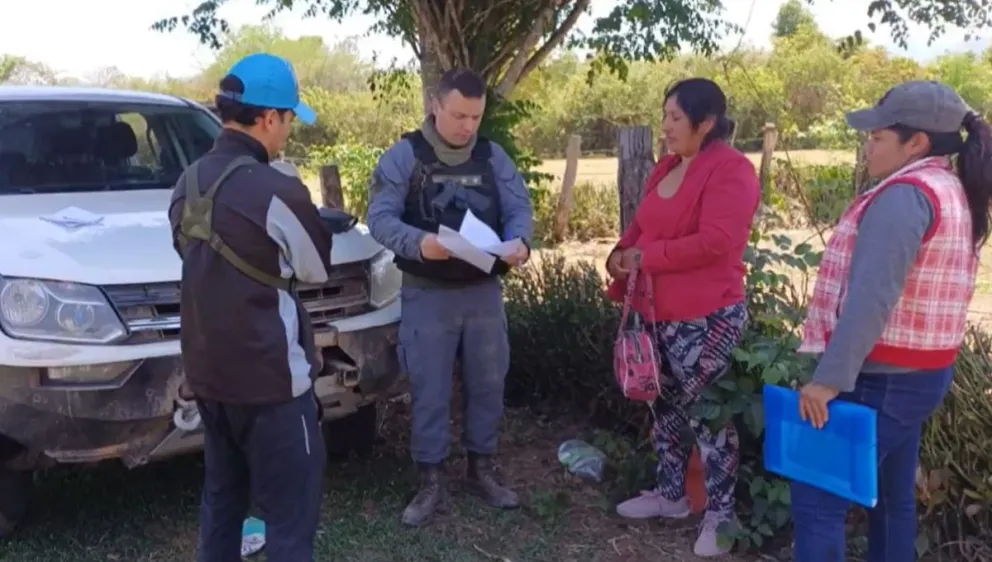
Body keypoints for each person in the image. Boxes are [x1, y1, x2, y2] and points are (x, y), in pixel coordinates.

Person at [791, 81, 990, 561]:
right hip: (921, 374)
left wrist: (828, 380)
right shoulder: (950, 188)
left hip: (882, 378)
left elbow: (871, 298)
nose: (868, 146)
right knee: (890, 499)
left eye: (878, 137)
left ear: (916, 142)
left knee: (818, 500)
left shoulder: (905, 196)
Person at [168, 53, 331, 562]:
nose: (288, 131)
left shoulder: (187, 182)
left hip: (210, 380)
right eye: (289, 120)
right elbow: (316, 267)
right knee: (289, 521)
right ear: (268, 118)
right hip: (272, 384)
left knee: (223, 504)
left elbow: (189, 255)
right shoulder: (276, 188)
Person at [366, 68, 534, 527]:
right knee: (429, 387)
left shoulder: (492, 156)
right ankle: (430, 480)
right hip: (428, 293)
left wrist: (520, 241)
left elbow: (519, 206)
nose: (468, 126)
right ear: (434, 105)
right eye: (459, 115)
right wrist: (419, 243)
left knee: (489, 382)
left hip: (483, 292)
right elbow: (379, 217)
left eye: (476, 117)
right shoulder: (404, 157)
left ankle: (483, 468)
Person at [606, 78, 760, 558]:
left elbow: (717, 242)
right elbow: (641, 226)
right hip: (656, 312)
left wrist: (647, 256)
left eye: (675, 118)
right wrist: (619, 254)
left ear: (706, 122)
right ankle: (671, 496)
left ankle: (721, 516)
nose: (666, 127)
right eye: (665, 116)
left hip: (706, 317)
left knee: (708, 415)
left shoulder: (731, 170)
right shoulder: (668, 166)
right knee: (664, 407)